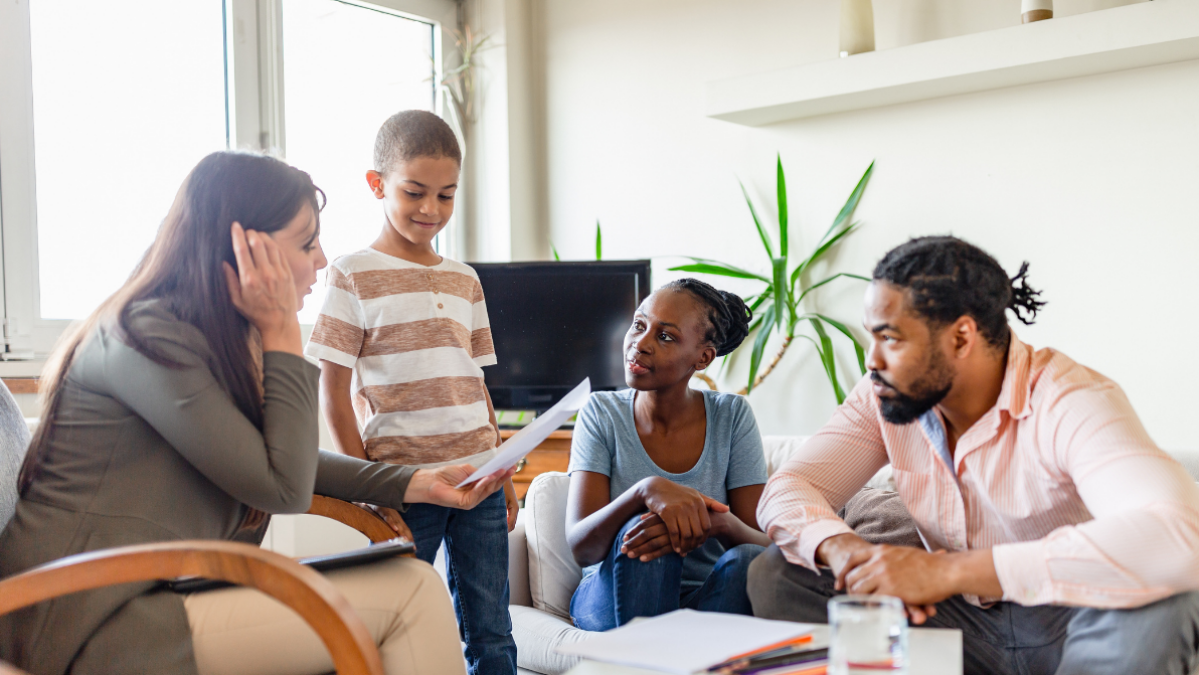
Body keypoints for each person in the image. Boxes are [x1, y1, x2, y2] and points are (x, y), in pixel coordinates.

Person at [0, 151, 515, 675]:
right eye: (307, 242)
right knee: (410, 596)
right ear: (246, 249)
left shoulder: (191, 337)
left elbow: (273, 459)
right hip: (77, 615)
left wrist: (416, 483)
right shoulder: (144, 337)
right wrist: (282, 335)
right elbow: (283, 486)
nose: (321, 260)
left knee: (409, 586)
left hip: (147, 592)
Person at [748, 236, 1199, 675]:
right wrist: (843, 550)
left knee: (1169, 597)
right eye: (872, 337)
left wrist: (949, 572)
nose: (872, 360)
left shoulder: (1070, 399)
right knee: (779, 572)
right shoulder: (883, 395)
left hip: (1072, 622)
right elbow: (790, 486)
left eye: (891, 339)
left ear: (961, 337)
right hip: (951, 625)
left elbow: (1179, 533)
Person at [306, 110, 518, 675]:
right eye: (415, 192)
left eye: (446, 195)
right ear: (378, 185)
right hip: (404, 485)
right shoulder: (352, 273)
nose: (431, 209)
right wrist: (366, 490)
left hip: (480, 480)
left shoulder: (465, 278)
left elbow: (475, 380)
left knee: (492, 628)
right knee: (391, 626)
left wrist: (501, 463)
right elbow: (335, 391)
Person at [566, 278, 772, 631]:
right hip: (610, 595)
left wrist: (718, 523)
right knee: (644, 530)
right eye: (639, 325)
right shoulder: (601, 412)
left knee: (750, 560)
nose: (639, 344)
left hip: (703, 601)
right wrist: (644, 492)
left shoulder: (732, 416)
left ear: (702, 357)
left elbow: (765, 545)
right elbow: (581, 548)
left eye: (665, 336)